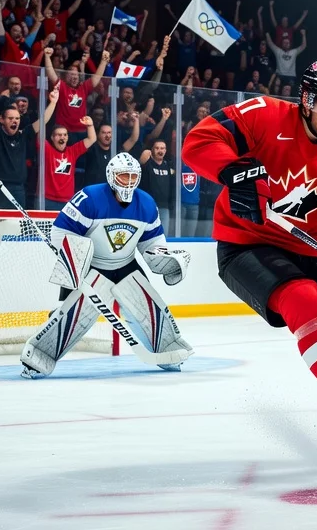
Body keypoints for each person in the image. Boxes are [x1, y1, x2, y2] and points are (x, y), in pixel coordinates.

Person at [182, 61, 317, 454]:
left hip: (311, 247)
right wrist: (234, 171)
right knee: (306, 299)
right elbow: (198, 141)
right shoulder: (264, 115)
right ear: (307, 101)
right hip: (246, 244)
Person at [20, 153, 194, 378]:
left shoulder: (147, 204)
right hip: (91, 265)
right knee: (76, 315)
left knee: (147, 308)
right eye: (123, 176)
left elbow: (152, 242)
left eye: (133, 177)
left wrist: (161, 258)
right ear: (111, 176)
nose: (128, 182)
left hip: (126, 264)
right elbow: (61, 231)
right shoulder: (90, 198)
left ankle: (169, 350)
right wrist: (74, 256)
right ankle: (38, 355)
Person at [43, 114, 97, 213]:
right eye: (59, 135)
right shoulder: (46, 149)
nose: (62, 137)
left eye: (65, 135)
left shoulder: (72, 151)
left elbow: (91, 139)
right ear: (52, 137)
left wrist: (90, 125)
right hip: (47, 199)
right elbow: (39, 133)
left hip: (67, 200)